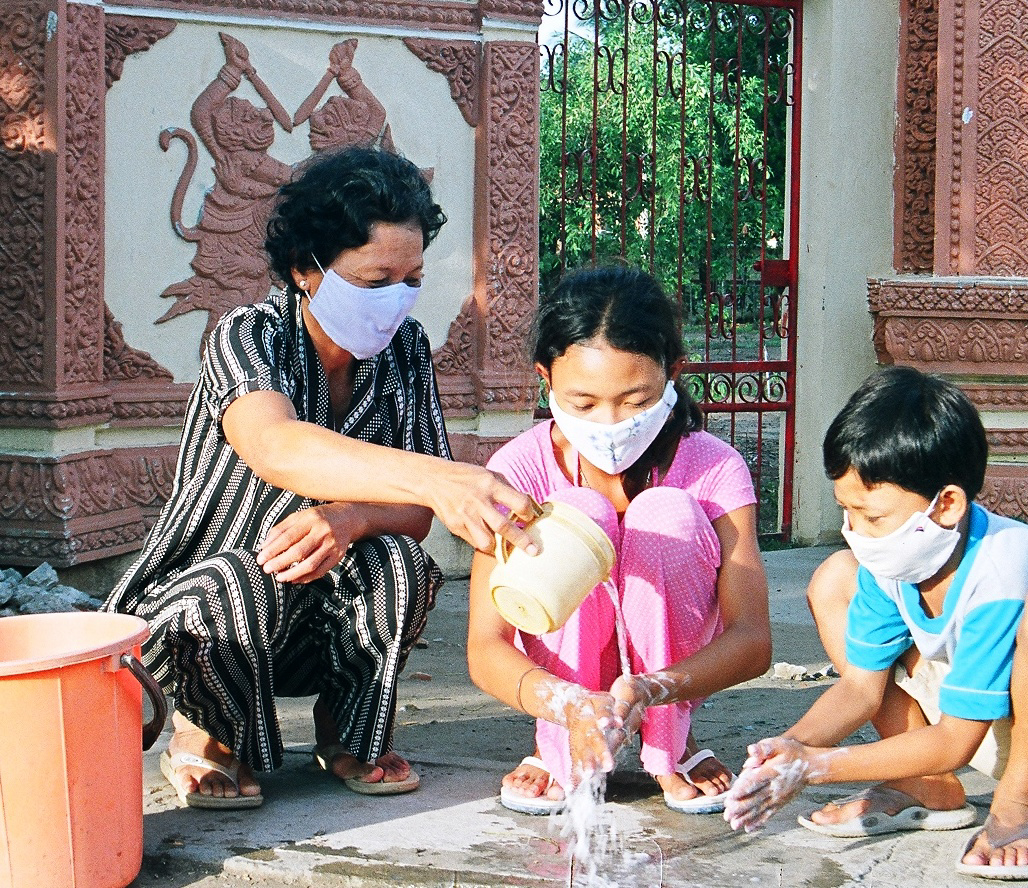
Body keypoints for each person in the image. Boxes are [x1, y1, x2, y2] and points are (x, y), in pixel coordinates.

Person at [105, 146, 536, 809]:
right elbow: (277, 444)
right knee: (237, 580)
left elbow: (416, 515)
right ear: (307, 270)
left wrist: (352, 517)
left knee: (403, 564)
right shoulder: (246, 335)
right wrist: (442, 477)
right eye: (373, 280)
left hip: (319, 615)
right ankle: (208, 731)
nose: (396, 300)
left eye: (412, 278)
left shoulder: (407, 351)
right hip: (204, 612)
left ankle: (348, 726)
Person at [723, 366, 1028, 880]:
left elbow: (958, 740)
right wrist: (789, 747)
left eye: (873, 517)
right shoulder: (893, 560)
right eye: (847, 511)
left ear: (946, 505)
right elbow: (859, 689)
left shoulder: (1003, 564)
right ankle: (927, 784)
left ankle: (1020, 804)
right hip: (971, 719)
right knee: (835, 580)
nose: (855, 531)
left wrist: (817, 766)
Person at [466, 265, 773, 815]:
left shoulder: (714, 467)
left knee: (665, 514)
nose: (609, 423)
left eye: (634, 401)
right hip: (562, 682)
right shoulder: (517, 471)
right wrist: (565, 705)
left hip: (670, 679)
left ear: (673, 374)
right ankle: (560, 746)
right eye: (583, 403)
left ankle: (668, 742)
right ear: (546, 379)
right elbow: (485, 647)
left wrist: (656, 689)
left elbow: (752, 639)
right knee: (578, 515)